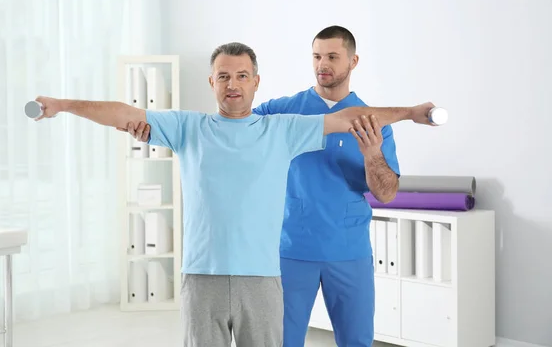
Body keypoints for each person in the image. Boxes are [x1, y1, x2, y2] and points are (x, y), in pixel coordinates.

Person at [53, 41, 434, 347]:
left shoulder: (281, 130)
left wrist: (412, 113)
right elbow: (123, 112)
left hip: (262, 278)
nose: (232, 84)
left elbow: (350, 119)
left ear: (255, 81)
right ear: (211, 82)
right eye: (223, 76)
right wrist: (64, 106)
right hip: (203, 278)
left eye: (241, 76)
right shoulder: (188, 127)